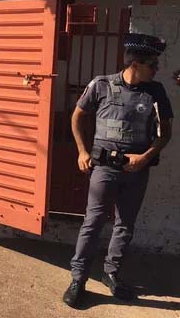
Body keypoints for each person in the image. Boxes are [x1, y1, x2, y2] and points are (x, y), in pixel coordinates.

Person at [62, 33, 173, 308]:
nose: (157, 69)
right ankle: (78, 279)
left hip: (136, 171)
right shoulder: (101, 85)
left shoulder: (156, 91)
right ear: (135, 63)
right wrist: (82, 151)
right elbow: (77, 116)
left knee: (125, 225)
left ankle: (112, 274)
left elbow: (165, 134)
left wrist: (145, 158)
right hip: (104, 168)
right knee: (93, 222)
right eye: (152, 64)